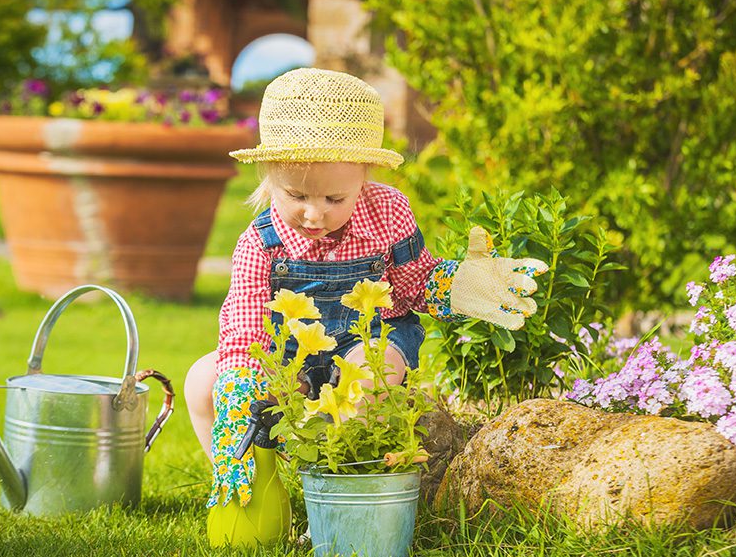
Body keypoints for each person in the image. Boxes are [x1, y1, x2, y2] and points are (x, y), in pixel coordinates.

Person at [184, 68, 546, 508]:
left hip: (370, 340)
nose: (314, 214)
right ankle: (247, 488)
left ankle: (341, 494)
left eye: (333, 199)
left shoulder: (388, 212)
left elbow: (414, 285)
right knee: (204, 381)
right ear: (267, 174)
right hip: (291, 359)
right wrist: (240, 398)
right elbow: (244, 336)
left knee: (365, 382)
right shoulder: (259, 243)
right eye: (296, 195)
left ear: (365, 175)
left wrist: (463, 286)